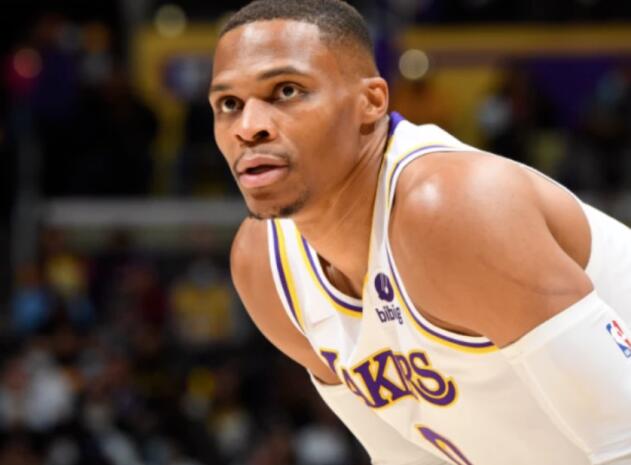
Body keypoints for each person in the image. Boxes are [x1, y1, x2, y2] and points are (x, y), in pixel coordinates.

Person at [209, 1, 631, 464]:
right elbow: (405, 457)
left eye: (286, 91)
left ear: (371, 102)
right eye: (229, 104)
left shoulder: (453, 209)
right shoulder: (265, 268)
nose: (248, 128)